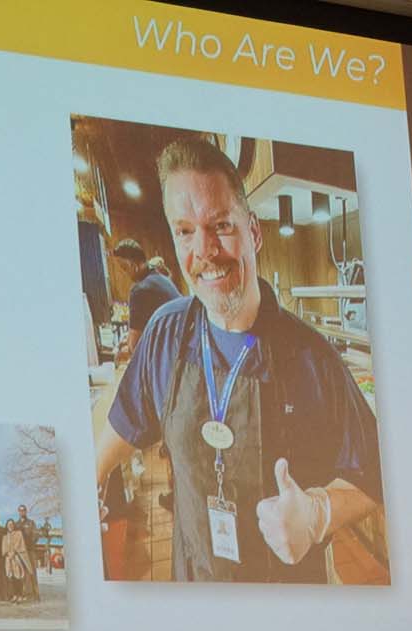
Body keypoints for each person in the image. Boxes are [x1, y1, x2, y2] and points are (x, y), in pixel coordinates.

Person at [94, 136, 382, 584]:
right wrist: (90, 481)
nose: (205, 251)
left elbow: (373, 472)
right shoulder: (165, 335)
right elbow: (125, 422)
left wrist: (318, 514)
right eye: (185, 231)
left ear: (254, 232)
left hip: (284, 598)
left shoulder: (313, 357)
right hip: (195, 584)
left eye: (221, 226)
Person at [112, 237, 180, 353]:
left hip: (171, 355)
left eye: (124, 268)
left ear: (132, 265)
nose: (124, 273)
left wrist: (126, 347)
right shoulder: (162, 279)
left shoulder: (139, 291)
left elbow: (135, 347)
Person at [2, 518, 31, 604]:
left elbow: (20, 544)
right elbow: (3, 548)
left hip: (16, 557)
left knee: (18, 576)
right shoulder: (5, 536)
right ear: (7, 526)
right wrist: (8, 554)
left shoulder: (19, 534)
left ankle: (20, 595)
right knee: (11, 577)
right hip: (8, 559)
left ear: (14, 525)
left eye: (12, 524)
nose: (10, 526)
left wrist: (14, 552)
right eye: (8, 524)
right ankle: (14, 595)